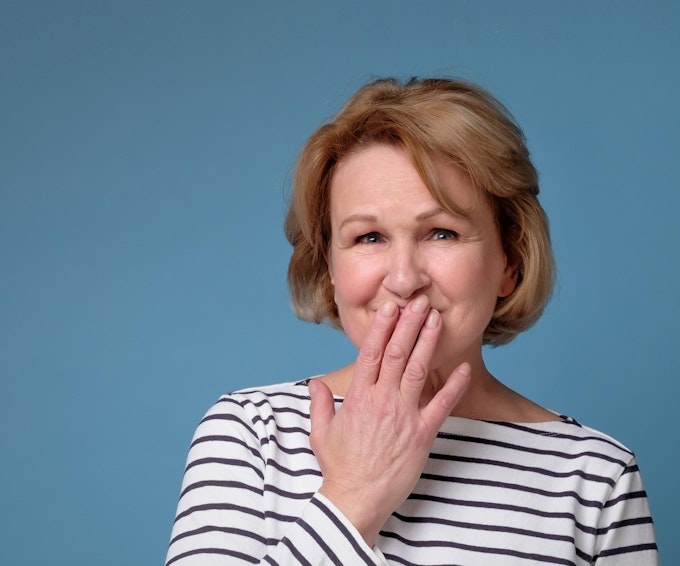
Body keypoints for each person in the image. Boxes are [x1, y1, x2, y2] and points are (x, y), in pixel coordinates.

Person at [165, 77, 658, 565]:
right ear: (329, 267)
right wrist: (354, 495)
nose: (403, 279)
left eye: (442, 233)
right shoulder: (252, 434)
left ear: (509, 262)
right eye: (369, 238)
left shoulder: (596, 477)